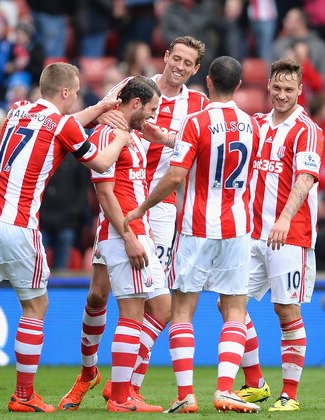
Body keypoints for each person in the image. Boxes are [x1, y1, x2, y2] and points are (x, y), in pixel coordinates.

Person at [0, 62, 131, 414]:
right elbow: (99, 162)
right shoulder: (63, 124)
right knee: (36, 307)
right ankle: (23, 396)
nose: (79, 95)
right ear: (65, 92)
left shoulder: (18, 110)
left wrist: (98, 109)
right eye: (77, 90)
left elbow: (56, 127)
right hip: (17, 224)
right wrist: (124, 133)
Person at [60, 36, 209, 408]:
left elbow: (200, 148)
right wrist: (107, 116)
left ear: (195, 70)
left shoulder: (197, 105)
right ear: (165, 57)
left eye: (187, 63)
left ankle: (128, 383)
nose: (179, 66)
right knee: (98, 293)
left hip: (158, 207)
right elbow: (105, 118)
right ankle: (88, 373)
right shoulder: (133, 90)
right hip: (120, 193)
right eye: (176, 58)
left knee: (146, 299)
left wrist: (166, 138)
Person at [123, 56, 261, 414]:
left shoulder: (196, 122)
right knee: (235, 310)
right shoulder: (252, 125)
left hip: (197, 225)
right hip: (238, 226)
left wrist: (140, 209)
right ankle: (226, 389)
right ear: (239, 85)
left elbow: (175, 176)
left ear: (209, 82)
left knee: (182, 310)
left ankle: (186, 394)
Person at [61, 76, 166, 412]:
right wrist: (129, 235)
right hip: (124, 231)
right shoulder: (110, 134)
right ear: (135, 104)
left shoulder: (129, 133)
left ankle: (121, 384)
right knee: (131, 311)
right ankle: (119, 394)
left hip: (130, 228)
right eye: (150, 110)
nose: (152, 117)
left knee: (159, 307)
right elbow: (105, 193)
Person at [235, 59, 324, 412]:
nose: (283, 94)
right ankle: (255, 382)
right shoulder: (256, 124)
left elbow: (304, 178)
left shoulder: (307, 130)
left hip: (290, 234)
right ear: (268, 87)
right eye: (277, 88)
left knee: (285, 311)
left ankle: (290, 394)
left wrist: (285, 218)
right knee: (231, 303)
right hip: (252, 233)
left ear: (300, 90)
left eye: (290, 89)